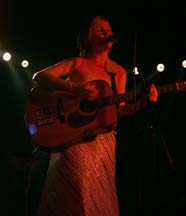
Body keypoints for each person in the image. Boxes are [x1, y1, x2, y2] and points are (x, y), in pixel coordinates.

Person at [29, 15, 158, 216]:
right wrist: (74, 88)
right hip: (73, 140)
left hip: (102, 144)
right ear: (88, 37)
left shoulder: (119, 73)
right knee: (73, 194)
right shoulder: (76, 63)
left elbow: (118, 110)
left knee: (97, 199)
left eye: (109, 30)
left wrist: (142, 103)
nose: (107, 33)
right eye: (100, 30)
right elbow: (39, 77)